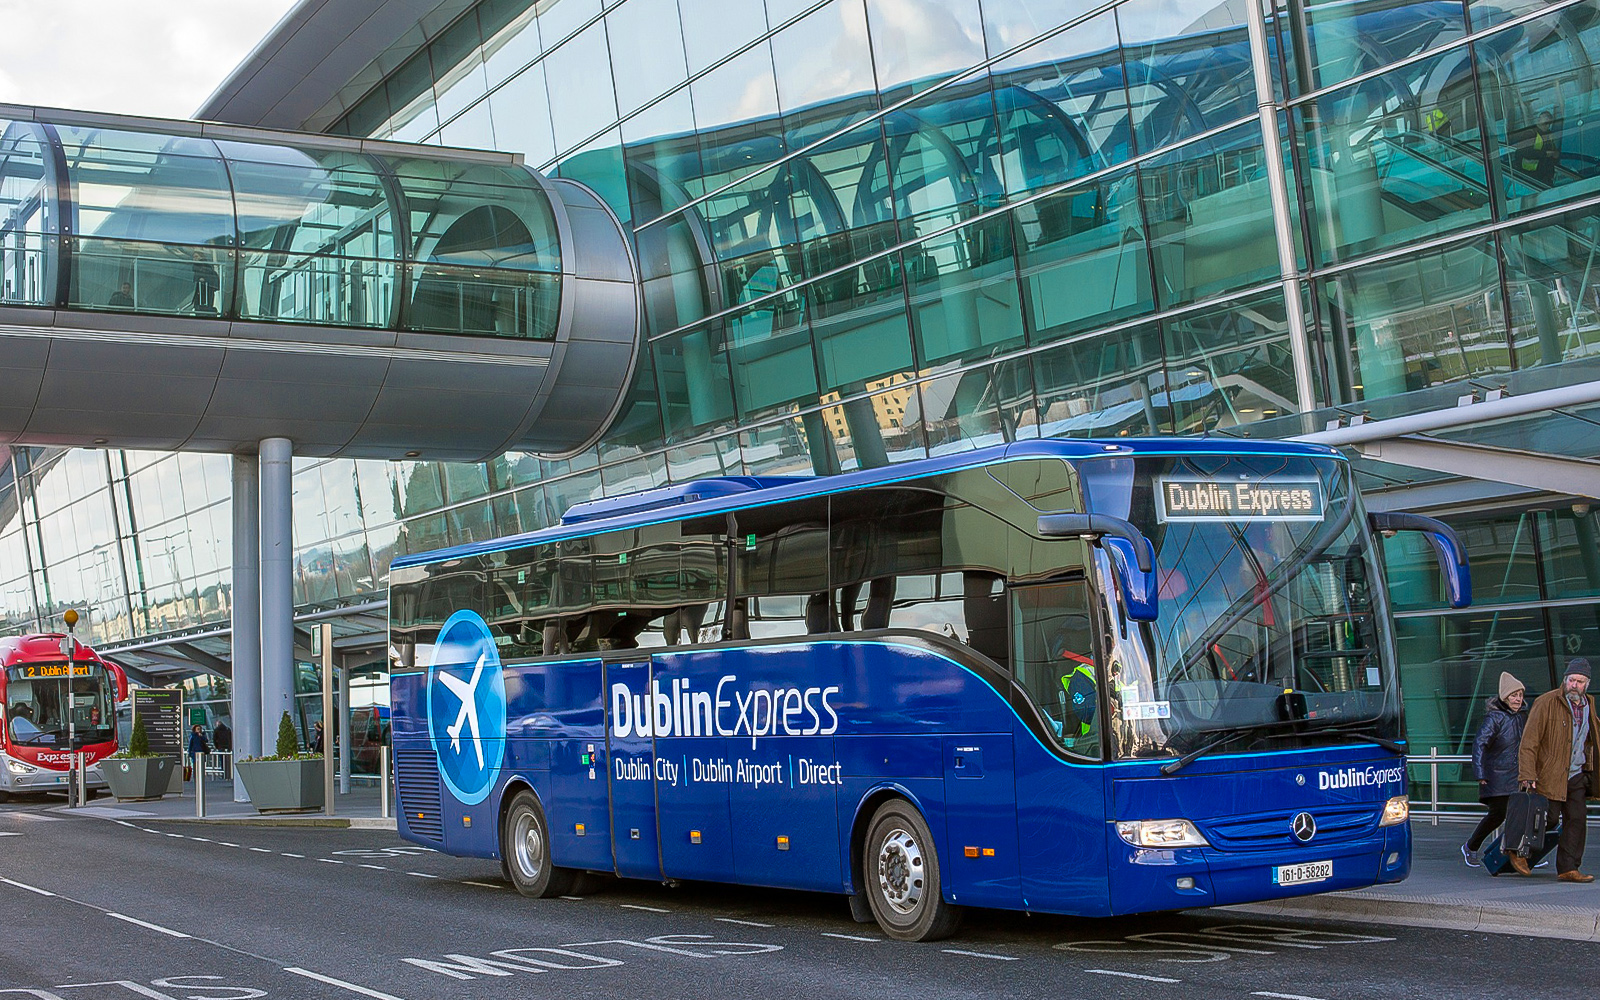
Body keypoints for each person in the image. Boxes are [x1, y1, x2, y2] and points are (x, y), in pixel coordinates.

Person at [1512, 657, 1600, 880]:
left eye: (1580, 681)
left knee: (1577, 820)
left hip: (1576, 773)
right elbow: (1529, 742)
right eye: (1572, 680)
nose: (1575, 685)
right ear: (1565, 680)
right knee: (1547, 818)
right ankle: (1516, 849)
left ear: (1587, 683)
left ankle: (1569, 868)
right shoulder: (1547, 702)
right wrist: (1527, 775)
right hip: (1549, 774)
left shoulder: (1589, 704)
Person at [1463, 671, 1528, 866]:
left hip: (1516, 776)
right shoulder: (1495, 718)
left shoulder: (1522, 717)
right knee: (1497, 815)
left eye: (1520, 695)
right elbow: (1480, 744)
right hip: (1497, 776)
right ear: (1505, 697)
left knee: (1519, 814)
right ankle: (1471, 846)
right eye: (1513, 695)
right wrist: (1480, 773)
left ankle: (1519, 854)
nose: (1517, 699)